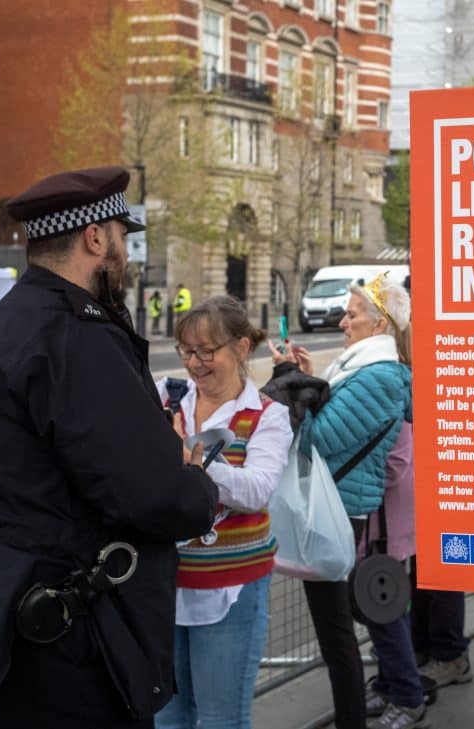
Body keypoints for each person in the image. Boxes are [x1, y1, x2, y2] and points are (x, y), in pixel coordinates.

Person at [0, 166, 220, 729]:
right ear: (96, 238)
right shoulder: (74, 338)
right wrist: (196, 482)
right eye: (122, 236)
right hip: (70, 642)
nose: (125, 252)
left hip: (0, 625)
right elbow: (151, 495)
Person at [271, 273, 420, 729]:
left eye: (352, 314)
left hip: (339, 513)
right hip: (340, 509)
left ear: (380, 326)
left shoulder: (379, 377)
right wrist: (308, 381)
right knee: (337, 633)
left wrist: (286, 382)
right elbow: (334, 420)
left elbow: (319, 439)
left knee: (336, 637)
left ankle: (354, 718)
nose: (342, 321)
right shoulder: (365, 370)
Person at [154, 295, 292, 729]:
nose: (194, 364)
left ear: (242, 348)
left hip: (230, 585)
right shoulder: (165, 397)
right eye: (186, 350)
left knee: (219, 719)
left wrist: (195, 463)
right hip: (162, 582)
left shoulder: (268, 416)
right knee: (167, 718)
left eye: (206, 351)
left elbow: (256, 490)